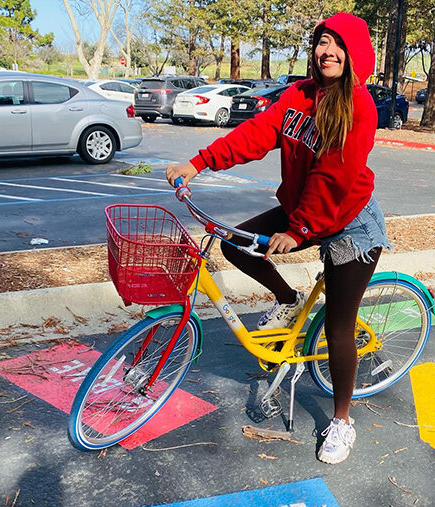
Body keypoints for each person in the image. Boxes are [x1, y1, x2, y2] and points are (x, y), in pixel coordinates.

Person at [166, 12, 391, 464]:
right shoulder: (299, 96)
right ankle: (287, 298)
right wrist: (199, 162)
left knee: (337, 324)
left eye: (337, 44)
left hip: (349, 221)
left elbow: (335, 175)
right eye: (322, 42)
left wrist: (298, 230)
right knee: (235, 243)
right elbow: (256, 133)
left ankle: (342, 422)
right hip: (303, 211)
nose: (327, 51)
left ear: (354, 55)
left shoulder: (359, 107)